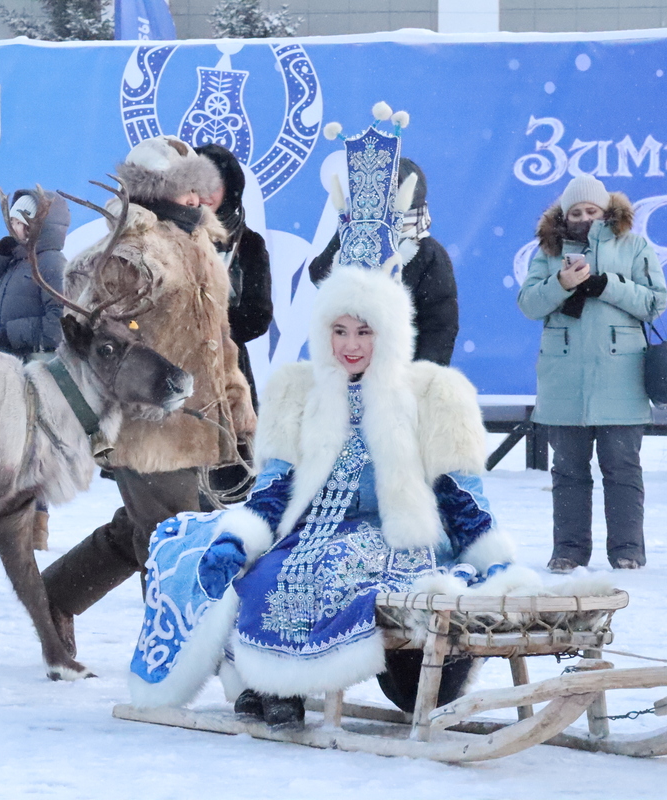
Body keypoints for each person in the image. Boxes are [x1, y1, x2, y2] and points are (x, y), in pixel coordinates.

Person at [127, 264, 529, 727]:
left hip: (398, 539)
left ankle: (288, 679)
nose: (351, 345)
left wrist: (491, 555)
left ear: (391, 333)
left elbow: (460, 494)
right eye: (339, 331)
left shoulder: (432, 393)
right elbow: (275, 488)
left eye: (364, 331)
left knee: (333, 567)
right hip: (309, 529)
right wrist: (240, 538)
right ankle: (265, 684)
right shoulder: (298, 391)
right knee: (239, 559)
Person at [42, 135, 257, 652]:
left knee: (148, 526)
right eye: (186, 190)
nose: (197, 199)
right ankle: (173, 651)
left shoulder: (200, 242)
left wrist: (236, 404)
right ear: (157, 190)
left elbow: (217, 340)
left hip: (201, 417)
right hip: (145, 420)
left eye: (200, 190)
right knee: (171, 537)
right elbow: (87, 321)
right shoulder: (132, 247)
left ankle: (52, 595)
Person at [517, 175, 667, 573]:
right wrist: (561, 283)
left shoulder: (635, 246)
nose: (584, 217)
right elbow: (529, 304)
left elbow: (655, 303)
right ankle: (568, 551)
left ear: (607, 211)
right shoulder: (548, 251)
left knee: (621, 468)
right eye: (576, 212)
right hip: (563, 378)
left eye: (592, 211)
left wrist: (607, 285)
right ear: (563, 215)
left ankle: (627, 551)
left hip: (622, 376)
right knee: (567, 471)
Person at [0, 189, 71, 552]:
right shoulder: (16, 262)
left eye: (24, 223)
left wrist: (10, 334)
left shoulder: (52, 263)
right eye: (14, 222)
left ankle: (2, 526)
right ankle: (33, 525)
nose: (17, 228)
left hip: (31, 370)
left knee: (19, 451)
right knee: (18, 450)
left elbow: (59, 327)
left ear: (43, 224)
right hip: (8, 367)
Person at [308, 157, 459, 366]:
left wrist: (422, 374)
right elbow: (319, 274)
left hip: (399, 370)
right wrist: (346, 235)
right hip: (346, 365)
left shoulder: (427, 253)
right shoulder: (353, 236)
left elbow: (439, 324)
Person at [194, 143, 273, 504]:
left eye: (215, 184)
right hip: (170, 369)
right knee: (169, 489)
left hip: (228, 370)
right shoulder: (167, 239)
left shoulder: (249, 245)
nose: (206, 194)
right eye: (197, 183)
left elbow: (259, 315)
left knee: (228, 485)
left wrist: (215, 330)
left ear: (231, 188)